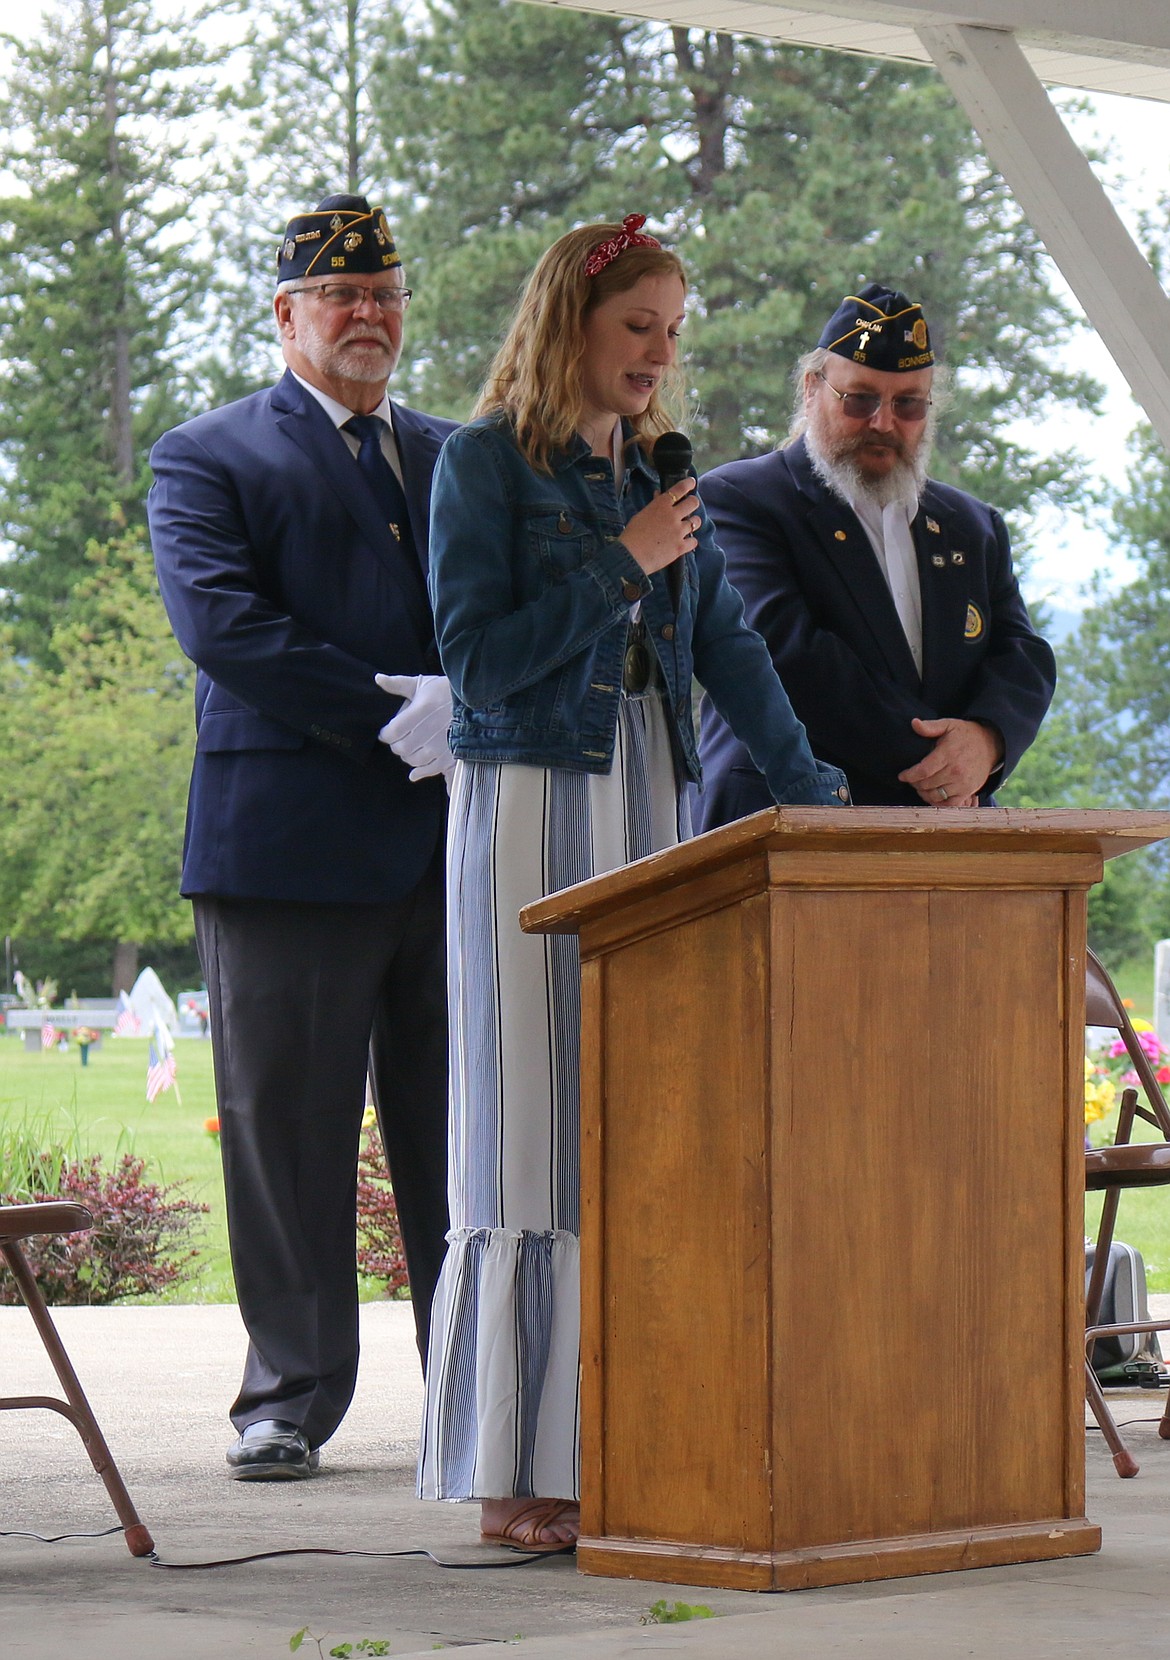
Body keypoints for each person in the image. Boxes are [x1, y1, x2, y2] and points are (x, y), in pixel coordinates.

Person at [416, 215, 848, 1551]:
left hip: (648, 808)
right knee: (528, 1128)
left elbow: (727, 651)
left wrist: (820, 804)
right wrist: (624, 562)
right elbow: (479, 666)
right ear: (571, 327)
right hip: (533, 806)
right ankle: (512, 1478)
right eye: (635, 328)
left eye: (671, 331)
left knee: (629, 1131)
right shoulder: (482, 466)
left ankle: (618, 1443)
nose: (657, 356)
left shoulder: (659, 472)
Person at [148, 193, 457, 1480]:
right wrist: (401, 713)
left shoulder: (458, 456)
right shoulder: (207, 455)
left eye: (384, 292)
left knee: (463, 1133)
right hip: (283, 851)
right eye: (341, 296)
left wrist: (478, 703)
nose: (368, 315)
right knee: (288, 1132)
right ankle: (286, 1395)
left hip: (450, 846)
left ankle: (482, 1384)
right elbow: (227, 630)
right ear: (286, 315)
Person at [693, 283, 1056, 824]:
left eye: (908, 403)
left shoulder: (972, 526)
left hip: (950, 831)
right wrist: (941, 763)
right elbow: (787, 654)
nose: (883, 422)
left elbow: (1021, 654)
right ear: (812, 388)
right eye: (860, 399)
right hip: (784, 819)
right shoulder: (742, 499)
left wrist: (986, 742)